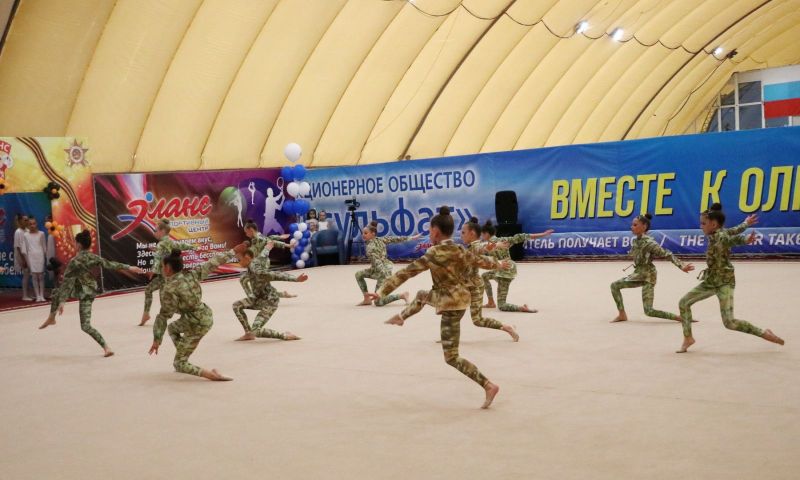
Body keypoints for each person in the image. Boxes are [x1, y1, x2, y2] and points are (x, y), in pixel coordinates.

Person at [371, 207, 511, 409]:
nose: (429, 234)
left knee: (451, 357)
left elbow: (406, 273)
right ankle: (401, 317)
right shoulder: (459, 249)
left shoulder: (433, 253)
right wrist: (498, 264)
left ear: (435, 232)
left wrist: (382, 291)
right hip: (460, 299)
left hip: (449, 303)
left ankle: (488, 385)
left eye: (430, 230)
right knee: (422, 295)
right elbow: (481, 261)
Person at [387, 217, 519, 342]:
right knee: (454, 310)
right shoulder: (467, 247)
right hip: (467, 285)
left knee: (477, 320)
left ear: (472, 233)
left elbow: (480, 248)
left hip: (473, 287)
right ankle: (448, 335)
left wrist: (492, 246)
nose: (461, 235)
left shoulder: (475, 245)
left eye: (463, 232)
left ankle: (506, 327)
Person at [676, 203, 784, 353]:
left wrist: (745, 240)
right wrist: (746, 223)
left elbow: (731, 239)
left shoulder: (720, 237)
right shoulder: (717, 233)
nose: (700, 226)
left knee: (730, 322)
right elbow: (733, 231)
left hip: (724, 283)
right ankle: (688, 338)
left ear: (713, 224)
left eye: (703, 223)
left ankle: (763, 332)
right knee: (684, 303)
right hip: (711, 280)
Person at [39, 230, 144, 357]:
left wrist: (62, 302)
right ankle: (106, 347)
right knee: (85, 326)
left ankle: (52, 317)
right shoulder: (94, 257)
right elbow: (111, 264)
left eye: (75, 243)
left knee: (56, 292)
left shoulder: (75, 261)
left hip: (81, 290)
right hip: (89, 291)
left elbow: (67, 283)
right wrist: (130, 267)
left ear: (78, 244)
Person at [149, 248, 235, 381]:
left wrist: (156, 339)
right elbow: (213, 262)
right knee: (172, 328)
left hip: (195, 323)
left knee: (179, 364)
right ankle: (183, 353)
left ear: (167, 268)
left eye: (162, 266)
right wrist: (233, 252)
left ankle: (211, 374)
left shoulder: (169, 289)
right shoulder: (191, 274)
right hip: (205, 314)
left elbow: (164, 315)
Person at [610, 213, 695, 323]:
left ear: (644, 226)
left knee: (649, 311)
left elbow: (667, 254)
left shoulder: (650, 243)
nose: (632, 227)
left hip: (648, 276)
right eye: (632, 225)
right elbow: (636, 253)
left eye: (635, 225)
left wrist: (681, 266)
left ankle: (680, 318)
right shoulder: (635, 240)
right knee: (614, 286)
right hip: (638, 274)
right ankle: (622, 314)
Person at [233, 247, 307, 341]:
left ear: (247, 257)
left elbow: (274, 275)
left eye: (239, 259)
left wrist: (295, 279)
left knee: (256, 330)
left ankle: (284, 335)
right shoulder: (250, 268)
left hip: (270, 302)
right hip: (259, 299)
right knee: (236, 305)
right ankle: (248, 334)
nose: (238, 263)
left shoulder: (256, 270)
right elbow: (261, 257)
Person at [481, 221, 554, 312]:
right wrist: (543, 234)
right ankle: (491, 302)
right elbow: (524, 236)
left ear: (486, 234)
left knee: (502, 305)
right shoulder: (504, 240)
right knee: (484, 276)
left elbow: (479, 252)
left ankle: (521, 308)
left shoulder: (486, 245)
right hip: (505, 269)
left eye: (482, 235)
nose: (481, 237)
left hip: (504, 272)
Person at [140, 220, 197, 326]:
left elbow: (157, 258)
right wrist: (193, 247)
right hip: (166, 276)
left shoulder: (161, 244)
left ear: (162, 231)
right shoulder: (170, 241)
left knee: (165, 301)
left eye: (155, 231)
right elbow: (181, 245)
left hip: (165, 277)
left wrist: (153, 270)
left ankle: (191, 315)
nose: (154, 233)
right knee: (156, 295)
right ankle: (146, 314)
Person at [354, 221, 420, 306]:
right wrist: (411, 238)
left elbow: (378, 263)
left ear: (373, 234)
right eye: (363, 233)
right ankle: (367, 299)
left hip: (383, 272)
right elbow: (395, 239)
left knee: (378, 302)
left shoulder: (370, 248)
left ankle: (402, 295)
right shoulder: (381, 239)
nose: (363, 235)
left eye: (366, 233)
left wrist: (387, 279)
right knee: (358, 274)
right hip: (377, 269)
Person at [24, 217, 47, 302]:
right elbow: (25, 249)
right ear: (28, 225)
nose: (32, 225)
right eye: (30, 224)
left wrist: (45, 257)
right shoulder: (25, 235)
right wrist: (27, 260)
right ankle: (37, 295)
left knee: (41, 276)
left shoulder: (41, 234)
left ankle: (42, 295)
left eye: (34, 223)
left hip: (40, 256)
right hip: (31, 257)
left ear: (36, 224)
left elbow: (44, 247)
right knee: (34, 276)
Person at [13, 214, 33, 301]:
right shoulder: (18, 232)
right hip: (22, 256)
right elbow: (18, 247)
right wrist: (23, 260)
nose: (27, 221)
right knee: (26, 274)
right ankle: (24, 295)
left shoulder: (27, 230)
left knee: (29, 275)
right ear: (20, 221)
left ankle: (29, 294)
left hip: (28, 255)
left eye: (27, 220)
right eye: (25, 220)